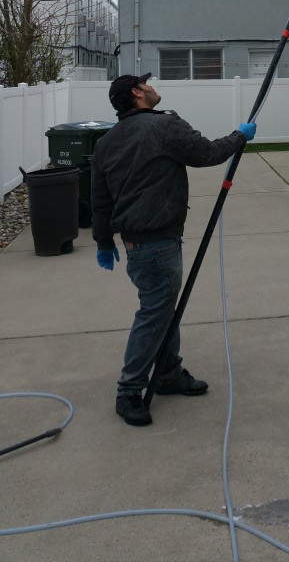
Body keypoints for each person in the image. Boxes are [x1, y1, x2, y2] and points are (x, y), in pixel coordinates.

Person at [91, 71, 256, 427]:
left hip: (137, 245)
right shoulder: (163, 126)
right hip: (157, 244)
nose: (152, 87)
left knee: (164, 309)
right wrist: (239, 136)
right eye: (146, 84)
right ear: (137, 94)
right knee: (155, 313)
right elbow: (207, 153)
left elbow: (99, 201)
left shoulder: (106, 142)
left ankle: (167, 373)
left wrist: (104, 242)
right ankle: (128, 391)